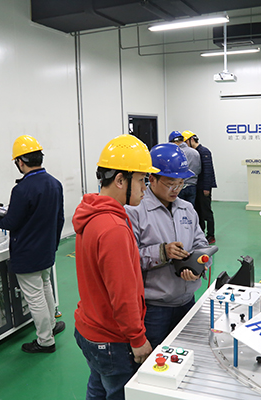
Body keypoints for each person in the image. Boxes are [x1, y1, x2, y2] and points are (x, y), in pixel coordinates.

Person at [73, 134, 156, 400]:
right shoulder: (113, 228)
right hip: (111, 339)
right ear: (120, 180)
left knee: (98, 389)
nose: (145, 188)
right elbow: (122, 293)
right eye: (141, 180)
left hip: (90, 329)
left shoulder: (92, 213)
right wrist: (137, 338)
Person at [125, 143, 210, 349]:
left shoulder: (187, 208)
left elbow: (201, 243)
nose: (176, 190)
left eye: (181, 184)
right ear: (152, 179)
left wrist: (198, 267)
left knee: (187, 355)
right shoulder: (135, 211)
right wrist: (162, 252)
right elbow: (128, 260)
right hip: (155, 309)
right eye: (171, 184)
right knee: (154, 361)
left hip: (187, 301)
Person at [0, 135, 65, 353]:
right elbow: (60, 219)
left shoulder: (22, 189)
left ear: (20, 162)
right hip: (46, 249)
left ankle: (45, 341)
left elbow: (11, 222)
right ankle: (51, 325)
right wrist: (53, 245)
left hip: (27, 253)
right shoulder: (55, 184)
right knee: (45, 286)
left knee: (35, 297)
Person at [182, 130, 217, 244]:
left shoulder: (204, 151)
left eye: (186, 142)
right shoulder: (194, 152)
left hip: (203, 187)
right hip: (196, 186)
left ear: (191, 140)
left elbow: (208, 171)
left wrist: (206, 188)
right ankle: (201, 233)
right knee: (198, 212)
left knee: (206, 212)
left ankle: (211, 235)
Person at [169, 130, 201, 205]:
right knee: (190, 209)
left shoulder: (175, 153)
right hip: (192, 186)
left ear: (174, 142)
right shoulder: (195, 152)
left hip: (179, 186)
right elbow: (198, 170)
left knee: (178, 208)